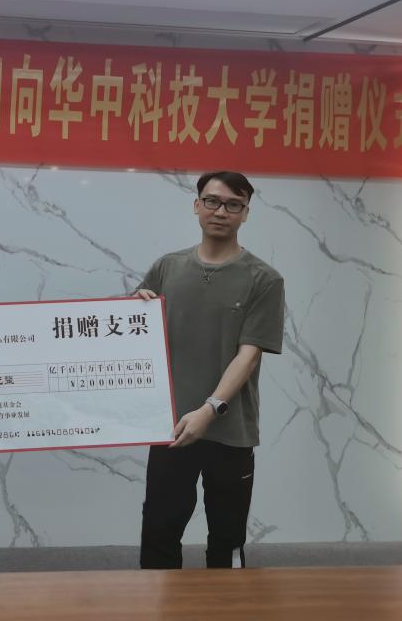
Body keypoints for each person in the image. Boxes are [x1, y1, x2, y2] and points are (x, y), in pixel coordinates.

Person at [135, 170, 285, 569]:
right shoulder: (167, 268)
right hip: (170, 428)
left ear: (246, 213)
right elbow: (137, 341)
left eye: (233, 204)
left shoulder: (264, 279)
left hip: (230, 429)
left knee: (227, 541)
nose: (221, 211)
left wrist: (209, 409)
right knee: (159, 534)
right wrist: (133, 311)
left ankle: (227, 604)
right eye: (213, 201)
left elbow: (248, 355)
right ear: (197, 206)